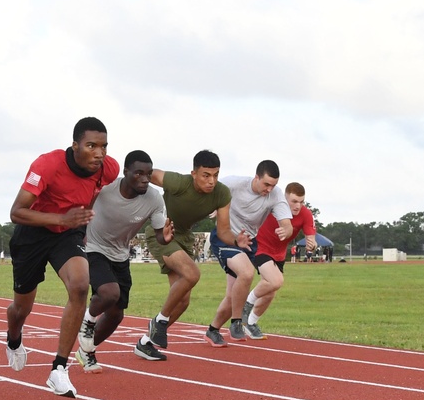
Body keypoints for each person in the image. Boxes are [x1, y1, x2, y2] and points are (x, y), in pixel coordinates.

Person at [4, 117, 119, 397]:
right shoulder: (47, 165)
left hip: (66, 234)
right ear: (75, 145)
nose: (99, 153)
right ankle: (14, 339)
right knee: (21, 309)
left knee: (80, 285)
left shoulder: (109, 169)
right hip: (32, 233)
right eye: (91, 146)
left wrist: (80, 222)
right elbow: (16, 212)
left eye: (103, 146)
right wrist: (62, 218)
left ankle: (59, 368)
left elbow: (92, 193)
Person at [76, 150, 171, 372]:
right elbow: (83, 205)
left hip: (120, 254)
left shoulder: (154, 198)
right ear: (126, 172)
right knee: (109, 293)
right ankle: (87, 323)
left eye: (148, 173)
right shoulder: (105, 189)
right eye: (139, 173)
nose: (145, 178)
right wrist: (79, 232)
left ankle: (86, 351)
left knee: (116, 314)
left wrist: (164, 238)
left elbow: (159, 234)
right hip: (93, 247)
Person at [135, 150, 233, 358]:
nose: (211, 181)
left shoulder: (222, 194)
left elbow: (224, 231)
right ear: (193, 173)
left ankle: (145, 342)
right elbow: (150, 173)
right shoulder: (179, 182)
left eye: (215, 175)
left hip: (185, 237)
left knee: (183, 301)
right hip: (161, 231)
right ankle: (159, 320)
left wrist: (239, 240)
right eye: (206, 175)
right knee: (192, 274)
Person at [205, 160, 292, 346]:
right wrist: (210, 207)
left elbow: (287, 223)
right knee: (247, 272)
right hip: (226, 237)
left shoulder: (275, 195)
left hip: (248, 243)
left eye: (273, 185)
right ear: (256, 177)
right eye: (266, 184)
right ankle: (237, 322)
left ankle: (212, 330)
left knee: (233, 296)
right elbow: (206, 192)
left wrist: (286, 229)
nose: (269, 189)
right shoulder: (234, 184)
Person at [241, 182, 317, 339]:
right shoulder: (271, 206)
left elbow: (312, 239)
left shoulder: (306, 214)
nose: (298, 206)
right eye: (294, 201)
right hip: (260, 247)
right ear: (285, 198)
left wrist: (312, 245)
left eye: (301, 202)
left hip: (279, 255)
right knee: (276, 281)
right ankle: (246, 305)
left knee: (270, 293)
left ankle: (251, 323)